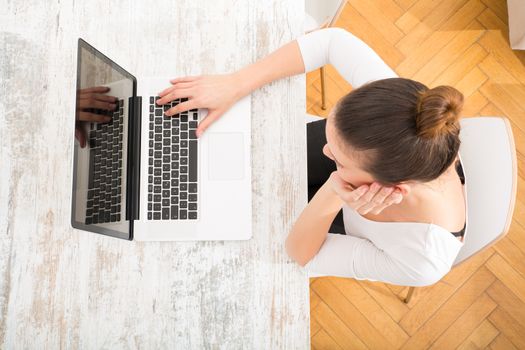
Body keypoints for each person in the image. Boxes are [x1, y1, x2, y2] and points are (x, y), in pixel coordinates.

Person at [156, 28, 467, 287]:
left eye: (340, 159)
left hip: (321, 225)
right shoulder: (402, 113)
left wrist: (333, 192)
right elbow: (332, 42)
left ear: (394, 190)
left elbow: (301, 254)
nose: (326, 151)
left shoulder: (423, 258)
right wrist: (235, 83)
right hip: (327, 176)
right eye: (332, 137)